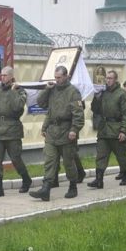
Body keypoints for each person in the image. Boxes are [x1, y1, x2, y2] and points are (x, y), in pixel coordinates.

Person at [30, 65, 85, 201]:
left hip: (66, 132)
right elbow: (42, 104)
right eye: (55, 77)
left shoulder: (73, 92)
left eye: (59, 77)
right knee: (49, 161)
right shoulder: (52, 90)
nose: (57, 80)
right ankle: (46, 188)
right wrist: (46, 90)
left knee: (68, 162)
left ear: (66, 76)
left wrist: (74, 130)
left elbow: (78, 115)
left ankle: (73, 185)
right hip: (52, 132)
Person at [0, 66, 32, 198]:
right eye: (1, 75)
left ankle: (26, 179)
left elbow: (18, 107)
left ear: (11, 77)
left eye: (5, 75)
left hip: (13, 129)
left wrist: (12, 90)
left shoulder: (20, 90)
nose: (2, 77)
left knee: (16, 159)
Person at [88, 69, 126, 189]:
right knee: (101, 155)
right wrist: (96, 97)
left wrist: (124, 131)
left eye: (110, 78)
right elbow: (95, 109)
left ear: (116, 79)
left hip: (116, 129)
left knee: (120, 154)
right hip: (104, 129)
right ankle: (99, 179)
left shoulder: (122, 94)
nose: (108, 80)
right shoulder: (103, 92)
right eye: (107, 78)